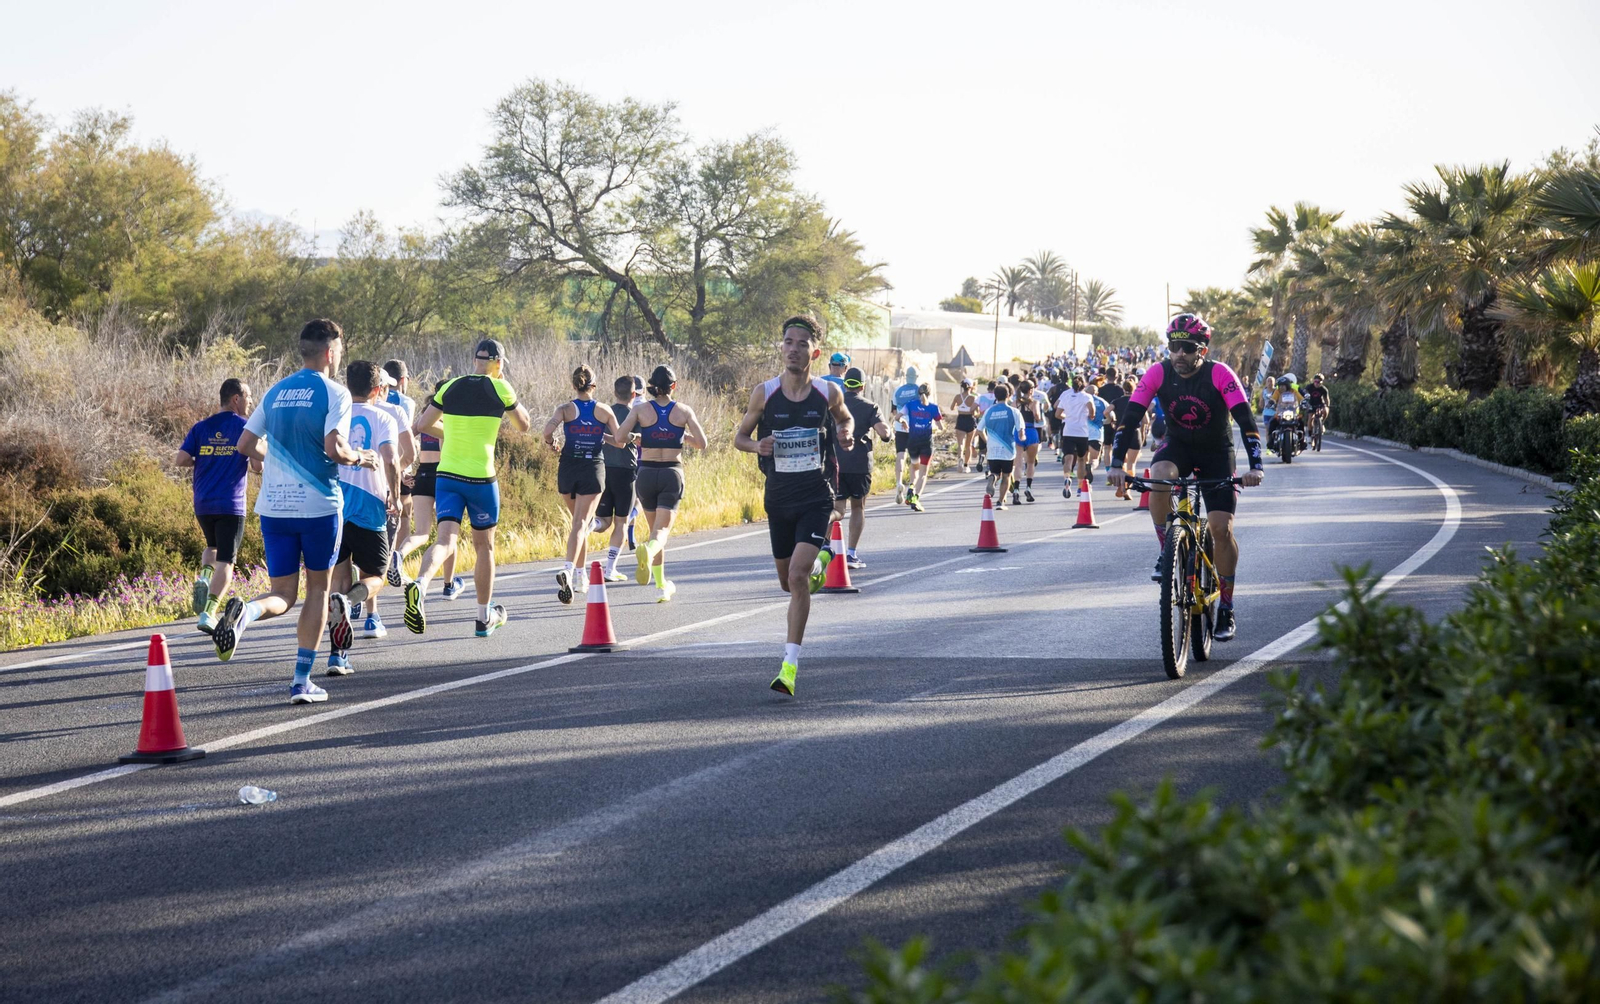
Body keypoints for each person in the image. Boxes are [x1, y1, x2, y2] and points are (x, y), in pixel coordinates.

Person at [212, 319, 378, 706]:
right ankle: (302, 681)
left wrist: (280, 460)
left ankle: (248, 612)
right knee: (317, 590)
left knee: (282, 594)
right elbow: (336, 448)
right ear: (330, 353)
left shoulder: (275, 391)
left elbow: (245, 444)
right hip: (318, 506)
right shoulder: (334, 393)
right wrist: (362, 458)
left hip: (274, 507)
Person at [1108, 314, 1265, 643]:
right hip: (1177, 446)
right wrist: (1116, 463)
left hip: (1216, 452)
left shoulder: (1220, 374)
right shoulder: (1158, 373)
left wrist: (1256, 465)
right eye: (1172, 347)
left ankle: (1226, 607)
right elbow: (1131, 416)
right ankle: (1168, 549)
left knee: (1221, 528)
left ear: (1202, 351)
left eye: (1186, 348)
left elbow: (1244, 418)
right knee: (1159, 476)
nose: (1177, 353)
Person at [733, 313, 853, 697]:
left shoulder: (828, 393)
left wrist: (845, 432)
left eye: (802, 344)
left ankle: (789, 666)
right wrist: (757, 445)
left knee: (798, 578)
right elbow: (739, 437)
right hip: (778, 498)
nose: (794, 349)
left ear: (814, 352)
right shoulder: (764, 392)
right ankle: (822, 559)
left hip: (816, 495)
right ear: (780, 347)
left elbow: (845, 418)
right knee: (788, 582)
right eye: (789, 342)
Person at [404, 338, 532, 637]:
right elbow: (524, 425)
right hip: (480, 479)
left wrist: (452, 430)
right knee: (484, 547)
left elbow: (422, 424)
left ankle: (420, 585)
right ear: (498, 362)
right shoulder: (501, 387)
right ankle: (482, 617)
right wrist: (505, 394)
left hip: (447, 475)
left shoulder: (451, 386)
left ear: (475, 359)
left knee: (445, 540)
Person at [324, 362, 403, 675]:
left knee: (338, 579)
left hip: (336, 502)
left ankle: (337, 657)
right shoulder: (384, 416)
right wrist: (395, 497)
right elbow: (392, 459)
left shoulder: (336, 414)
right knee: (375, 577)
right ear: (377, 389)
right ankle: (354, 599)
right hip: (370, 505)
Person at [613, 364, 708, 602]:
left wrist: (644, 435)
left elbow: (619, 437)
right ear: (674, 386)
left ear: (652, 386)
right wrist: (681, 436)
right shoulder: (683, 411)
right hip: (671, 475)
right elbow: (702, 442)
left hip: (645, 474)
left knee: (655, 531)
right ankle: (649, 551)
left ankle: (661, 585)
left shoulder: (641, 410)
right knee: (661, 533)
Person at [175, 377, 260, 634]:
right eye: (248, 397)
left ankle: (204, 577)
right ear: (236, 399)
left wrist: (207, 458)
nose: (251, 402)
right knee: (227, 560)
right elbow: (257, 467)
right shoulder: (246, 428)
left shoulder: (201, 427)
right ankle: (209, 612)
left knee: (212, 547)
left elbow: (181, 459)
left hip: (203, 502)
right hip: (230, 504)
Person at [542, 364, 619, 604]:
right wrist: (602, 435)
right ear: (593, 386)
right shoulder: (604, 410)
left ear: (575, 385)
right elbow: (618, 440)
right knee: (581, 524)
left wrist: (553, 442)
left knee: (579, 524)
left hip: (568, 468)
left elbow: (546, 432)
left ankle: (580, 576)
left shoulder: (565, 409)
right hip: (592, 469)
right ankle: (567, 568)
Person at [352, 366, 415, 638]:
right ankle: (370, 615)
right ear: (380, 388)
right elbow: (407, 455)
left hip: (340, 495)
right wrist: (392, 485)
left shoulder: (339, 411)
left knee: (346, 562)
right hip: (377, 494)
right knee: (378, 564)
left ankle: (339, 649)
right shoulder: (393, 412)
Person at [391, 381, 464, 603]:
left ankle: (399, 554)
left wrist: (402, 468)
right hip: (443, 475)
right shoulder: (449, 416)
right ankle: (449, 585)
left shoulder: (425, 415)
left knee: (422, 533)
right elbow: (446, 450)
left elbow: (406, 440)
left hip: (422, 474)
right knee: (449, 535)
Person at [833, 366, 891, 568]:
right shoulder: (870, 406)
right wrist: (889, 432)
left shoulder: (833, 406)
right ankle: (850, 554)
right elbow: (884, 432)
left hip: (836, 464)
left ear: (845, 384)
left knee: (837, 508)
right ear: (863, 386)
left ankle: (825, 547)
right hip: (859, 465)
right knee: (858, 507)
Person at [595, 375, 642, 582]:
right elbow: (642, 442)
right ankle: (610, 568)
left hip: (604, 469)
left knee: (603, 521)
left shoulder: (606, 412)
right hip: (625, 470)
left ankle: (588, 527)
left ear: (615, 393)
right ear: (634, 394)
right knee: (621, 522)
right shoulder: (636, 415)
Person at [977, 383, 1024, 508]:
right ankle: (1000, 501)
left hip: (992, 448)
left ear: (995, 397)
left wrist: (987, 441)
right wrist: (1022, 438)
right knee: (1007, 475)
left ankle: (993, 476)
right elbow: (1021, 431)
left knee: (996, 472)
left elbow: (979, 430)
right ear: (1008, 395)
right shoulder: (1013, 411)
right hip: (1008, 449)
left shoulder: (988, 411)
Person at [902, 383, 943, 512]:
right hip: (926, 442)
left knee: (914, 466)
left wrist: (903, 422)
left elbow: (897, 417)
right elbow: (941, 426)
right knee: (923, 473)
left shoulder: (910, 404)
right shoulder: (934, 408)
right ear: (929, 394)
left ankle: (911, 486)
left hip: (913, 441)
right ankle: (916, 497)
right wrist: (937, 430)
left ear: (918, 393)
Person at [1055, 375, 1095, 498]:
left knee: (1068, 459)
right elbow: (1092, 412)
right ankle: (1079, 487)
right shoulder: (1086, 396)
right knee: (1082, 460)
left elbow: (1057, 414)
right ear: (1084, 385)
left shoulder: (1066, 396)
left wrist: (1066, 417)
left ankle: (1067, 479)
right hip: (1082, 432)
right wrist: (1089, 416)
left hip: (1068, 431)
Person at [890, 365, 921, 504]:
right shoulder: (920, 390)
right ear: (916, 377)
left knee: (901, 455)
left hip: (900, 427)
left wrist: (901, 420)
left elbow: (893, 412)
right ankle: (912, 486)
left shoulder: (898, 391)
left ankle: (899, 482)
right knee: (915, 460)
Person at [1266, 374, 1304, 451]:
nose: (1281, 387)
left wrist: (1304, 402)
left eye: (1283, 386)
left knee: (1301, 423)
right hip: (1281, 412)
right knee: (1272, 423)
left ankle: (1302, 442)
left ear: (1287, 386)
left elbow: (1301, 399)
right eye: (1280, 386)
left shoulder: (1294, 391)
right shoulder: (1277, 392)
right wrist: (1271, 402)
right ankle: (1271, 442)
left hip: (1293, 413)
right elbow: (1273, 398)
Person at [951, 380, 978, 472]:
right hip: (970, 419)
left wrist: (959, 407)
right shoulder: (973, 398)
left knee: (960, 444)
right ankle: (966, 465)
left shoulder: (957, 397)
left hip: (961, 419)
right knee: (969, 444)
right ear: (970, 387)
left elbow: (951, 407)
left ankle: (959, 460)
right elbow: (976, 412)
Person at [1303, 373, 1331, 451]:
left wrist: (1327, 405)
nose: (1316, 383)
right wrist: (1305, 402)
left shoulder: (1324, 389)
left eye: (1318, 382)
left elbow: (1326, 399)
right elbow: (1303, 394)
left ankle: (1322, 423)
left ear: (1321, 382)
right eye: (1315, 381)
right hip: (1311, 404)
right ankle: (1309, 435)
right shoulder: (1309, 387)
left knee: (1325, 410)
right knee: (1310, 417)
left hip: (1320, 404)